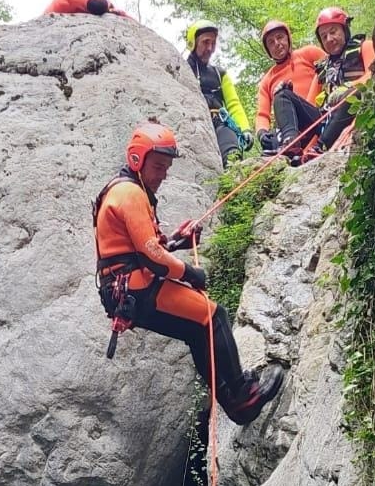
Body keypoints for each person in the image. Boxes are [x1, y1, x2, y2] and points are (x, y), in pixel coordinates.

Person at [93, 121, 284, 424]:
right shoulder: (130, 193)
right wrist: (191, 273)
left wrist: (176, 242)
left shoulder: (126, 190)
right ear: (136, 160)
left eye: (166, 168)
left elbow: (144, 247)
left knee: (197, 331)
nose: (162, 175)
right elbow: (153, 257)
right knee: (214, 315)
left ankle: (232, 401)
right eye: (158, 167)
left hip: (126, 289)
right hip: (137, 288)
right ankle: (242, 393)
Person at [273, 8, 375, 162]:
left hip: (352, 111)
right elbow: (310, 105)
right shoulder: (322, 69)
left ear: (344, 29)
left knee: (353, 95)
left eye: (333, 32)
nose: (329, 39)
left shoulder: (364, 47)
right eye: (324, 36)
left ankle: (322, 146)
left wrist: (348, 88)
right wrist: (291, 97)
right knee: (282, 95)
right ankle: (291, 142)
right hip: (325, 119)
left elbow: (374, 74)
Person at [185, 22, 254, 168]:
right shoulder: (181, 69)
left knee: (232, 156)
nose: (210, 48)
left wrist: (245, 129)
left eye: (213, 43)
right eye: (205, 42)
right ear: (193, 42)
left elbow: (233, 104)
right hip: (194, 123)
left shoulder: (219, 74)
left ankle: (233, 176)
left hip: (219, 122)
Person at [255, 20, 322, 154]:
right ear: (268, 50)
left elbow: (334, 67)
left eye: (280, 37)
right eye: (271, 42)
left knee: (282, 94)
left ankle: (291, 141)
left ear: (288, 38)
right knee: (270, 143)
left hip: (315, 116)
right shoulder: (267, 80)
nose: (277, 44)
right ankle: (290, 144)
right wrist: (262, 132)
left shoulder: (309, 54)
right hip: (290, 127)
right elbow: (262, 114)